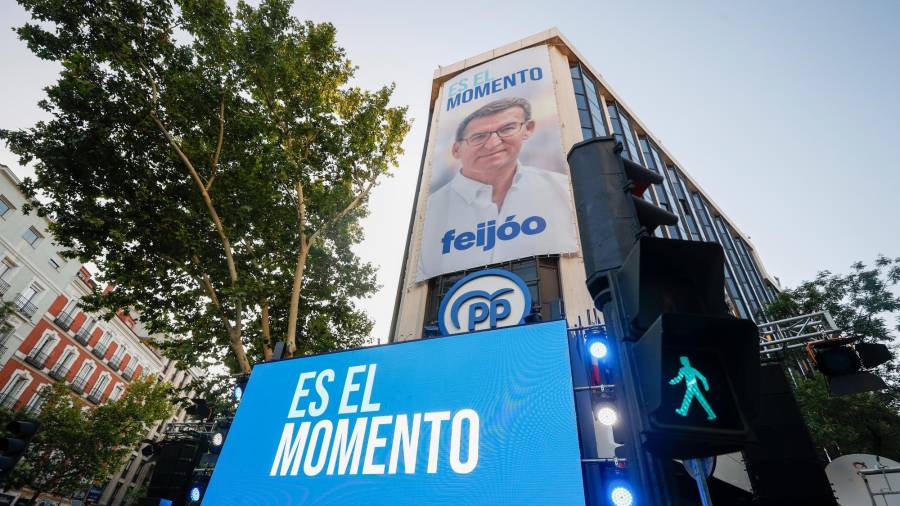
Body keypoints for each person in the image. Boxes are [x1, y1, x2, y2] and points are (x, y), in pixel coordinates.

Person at [417, 97, 577, 281]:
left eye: (507, 129)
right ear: (456, 149)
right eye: (479, 136)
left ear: (527, 129)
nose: (493, 144)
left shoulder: (564, 190)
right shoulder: (429, 216)